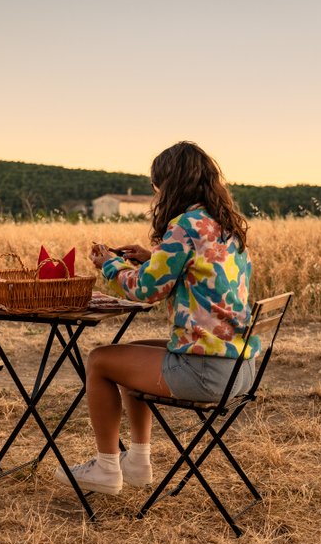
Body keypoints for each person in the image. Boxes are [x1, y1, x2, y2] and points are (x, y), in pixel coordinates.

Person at [53, 141, 259, 495]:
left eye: (158, 186)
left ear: (172, 184)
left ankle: (105, 468)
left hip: (207, 371)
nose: (157, 194)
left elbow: (145, 291)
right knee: (131, 353)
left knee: (100, 360)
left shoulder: (186, 225)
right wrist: (151, 257)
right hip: (239, 368)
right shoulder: (222, 226)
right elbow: (200, 270)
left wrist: (110, 264)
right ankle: (136, 463)